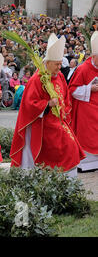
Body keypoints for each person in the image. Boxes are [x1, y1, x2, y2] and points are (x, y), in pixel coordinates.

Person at [10, 34, 85, 178]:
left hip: (59, 121)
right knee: (68, 148)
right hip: (43, 123)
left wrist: (65, 111)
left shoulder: (60, 76)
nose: (59, 67)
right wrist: (48, 104)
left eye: (59, 64)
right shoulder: (37, 80)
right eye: (56, 64)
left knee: (72, 148)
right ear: (48, 62)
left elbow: (66, 97)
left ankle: (68, 180)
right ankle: (59, 179)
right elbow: (29, 105)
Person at [68, 31, 98, 172]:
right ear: (94, 56)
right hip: (86, 109)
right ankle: (86, 165)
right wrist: (89, 88)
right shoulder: (83, 68)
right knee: (88, 136)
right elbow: (72, 90)